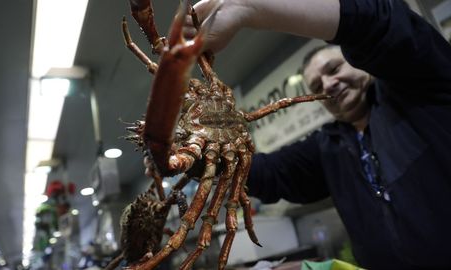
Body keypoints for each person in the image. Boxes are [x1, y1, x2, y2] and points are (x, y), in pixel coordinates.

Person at [188, 0, 451, 269]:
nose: (328, 84)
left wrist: (247, 7)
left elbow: (378, 24)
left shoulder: (416, 90)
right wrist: (196, 156)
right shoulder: (328, 146)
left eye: (334, 69)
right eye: (316, 85)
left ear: (359, 61)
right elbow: (271, 172)